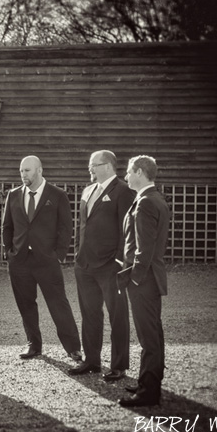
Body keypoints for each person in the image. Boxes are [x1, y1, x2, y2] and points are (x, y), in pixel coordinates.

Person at [1, 155, 83, 362]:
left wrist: (59, 255)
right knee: (26, 304)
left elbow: (66, 227)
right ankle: (34, 345)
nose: (23, 174)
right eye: (21, 171)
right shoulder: (13, 195)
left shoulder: (57, 195)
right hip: (19, 260)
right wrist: (9, 253)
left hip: (47, 260)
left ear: (39, 170)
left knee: (58, 303)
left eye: (27, 170)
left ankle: (73, 347)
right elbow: (7, 226)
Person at [69, 151, 135, 380]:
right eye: (90, 166)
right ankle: (92, 361)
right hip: (85, 264)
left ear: (107, 166)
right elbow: (84, 226)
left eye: (93, 165)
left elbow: (127, 229)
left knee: (117, 315)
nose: (90, 170)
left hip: (110, 265)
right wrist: (78, 255)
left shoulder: (124, 191)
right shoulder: (88, 190)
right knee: (89, 314)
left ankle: (119, 365)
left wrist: (119, 260)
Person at [117, 155, 170, 407]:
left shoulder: (146, 202)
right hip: (150, 278)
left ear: (139, 172)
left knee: (148, 336)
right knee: (153, 333)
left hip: (144, 280)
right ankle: (148, 381)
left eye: (128, 172)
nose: (126, 176)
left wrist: (135, 278)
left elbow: (144, 248)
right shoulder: (153, 198)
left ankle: (149, 392)